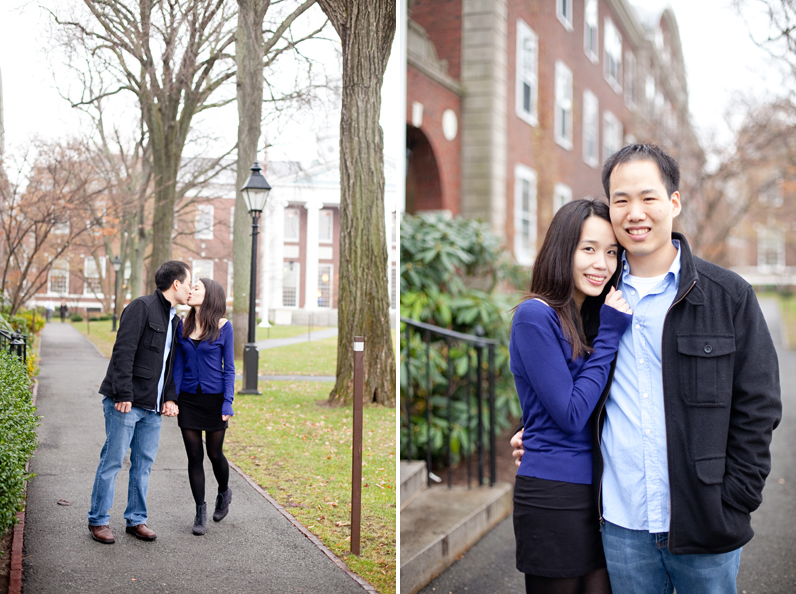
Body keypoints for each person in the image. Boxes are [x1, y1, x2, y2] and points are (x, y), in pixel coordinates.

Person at [512, 144, 781, 593]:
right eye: (622, 200)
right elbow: (564, 386)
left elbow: (759, 406)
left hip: (705, 525)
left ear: (673, 202)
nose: (635, 212)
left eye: (648, 197)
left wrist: (735, 501)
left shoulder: (727, 296)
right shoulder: (594, 304)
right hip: (619, 528)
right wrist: (535, 434)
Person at [511, 199, 632, 594]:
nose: (602, 263)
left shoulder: (589, 319)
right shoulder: (535, 315)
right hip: (553, 495)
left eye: (612, 252)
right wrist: (611, 334)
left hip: (600, 495)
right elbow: (569, 412)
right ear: (563, 250)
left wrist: (526, 426)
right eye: (589, 249)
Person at [88, 260, 191, 544]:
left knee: (143, 464)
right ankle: (98, 520)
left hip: (153, 407)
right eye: (189, 283)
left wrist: (169, 397)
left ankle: (136, 519)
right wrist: (122, 393)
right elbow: (122, 352)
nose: (191, 289)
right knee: (112, 461)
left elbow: (170, 365)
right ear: (176, 284)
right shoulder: (141, 307)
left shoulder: (175, 319)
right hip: (127, 403)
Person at [172, 278, 235, 536]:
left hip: (214, 398)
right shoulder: (182, 326)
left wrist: (228, 401)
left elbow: (229, 368)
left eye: (196, 287)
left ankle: (224, 492)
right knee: (194, 456)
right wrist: (173, 398)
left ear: (210, 295)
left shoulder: (224, 327)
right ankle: (200, 511)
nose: (191, 290)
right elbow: (177, 364)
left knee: (215, 454)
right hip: (188, 398)